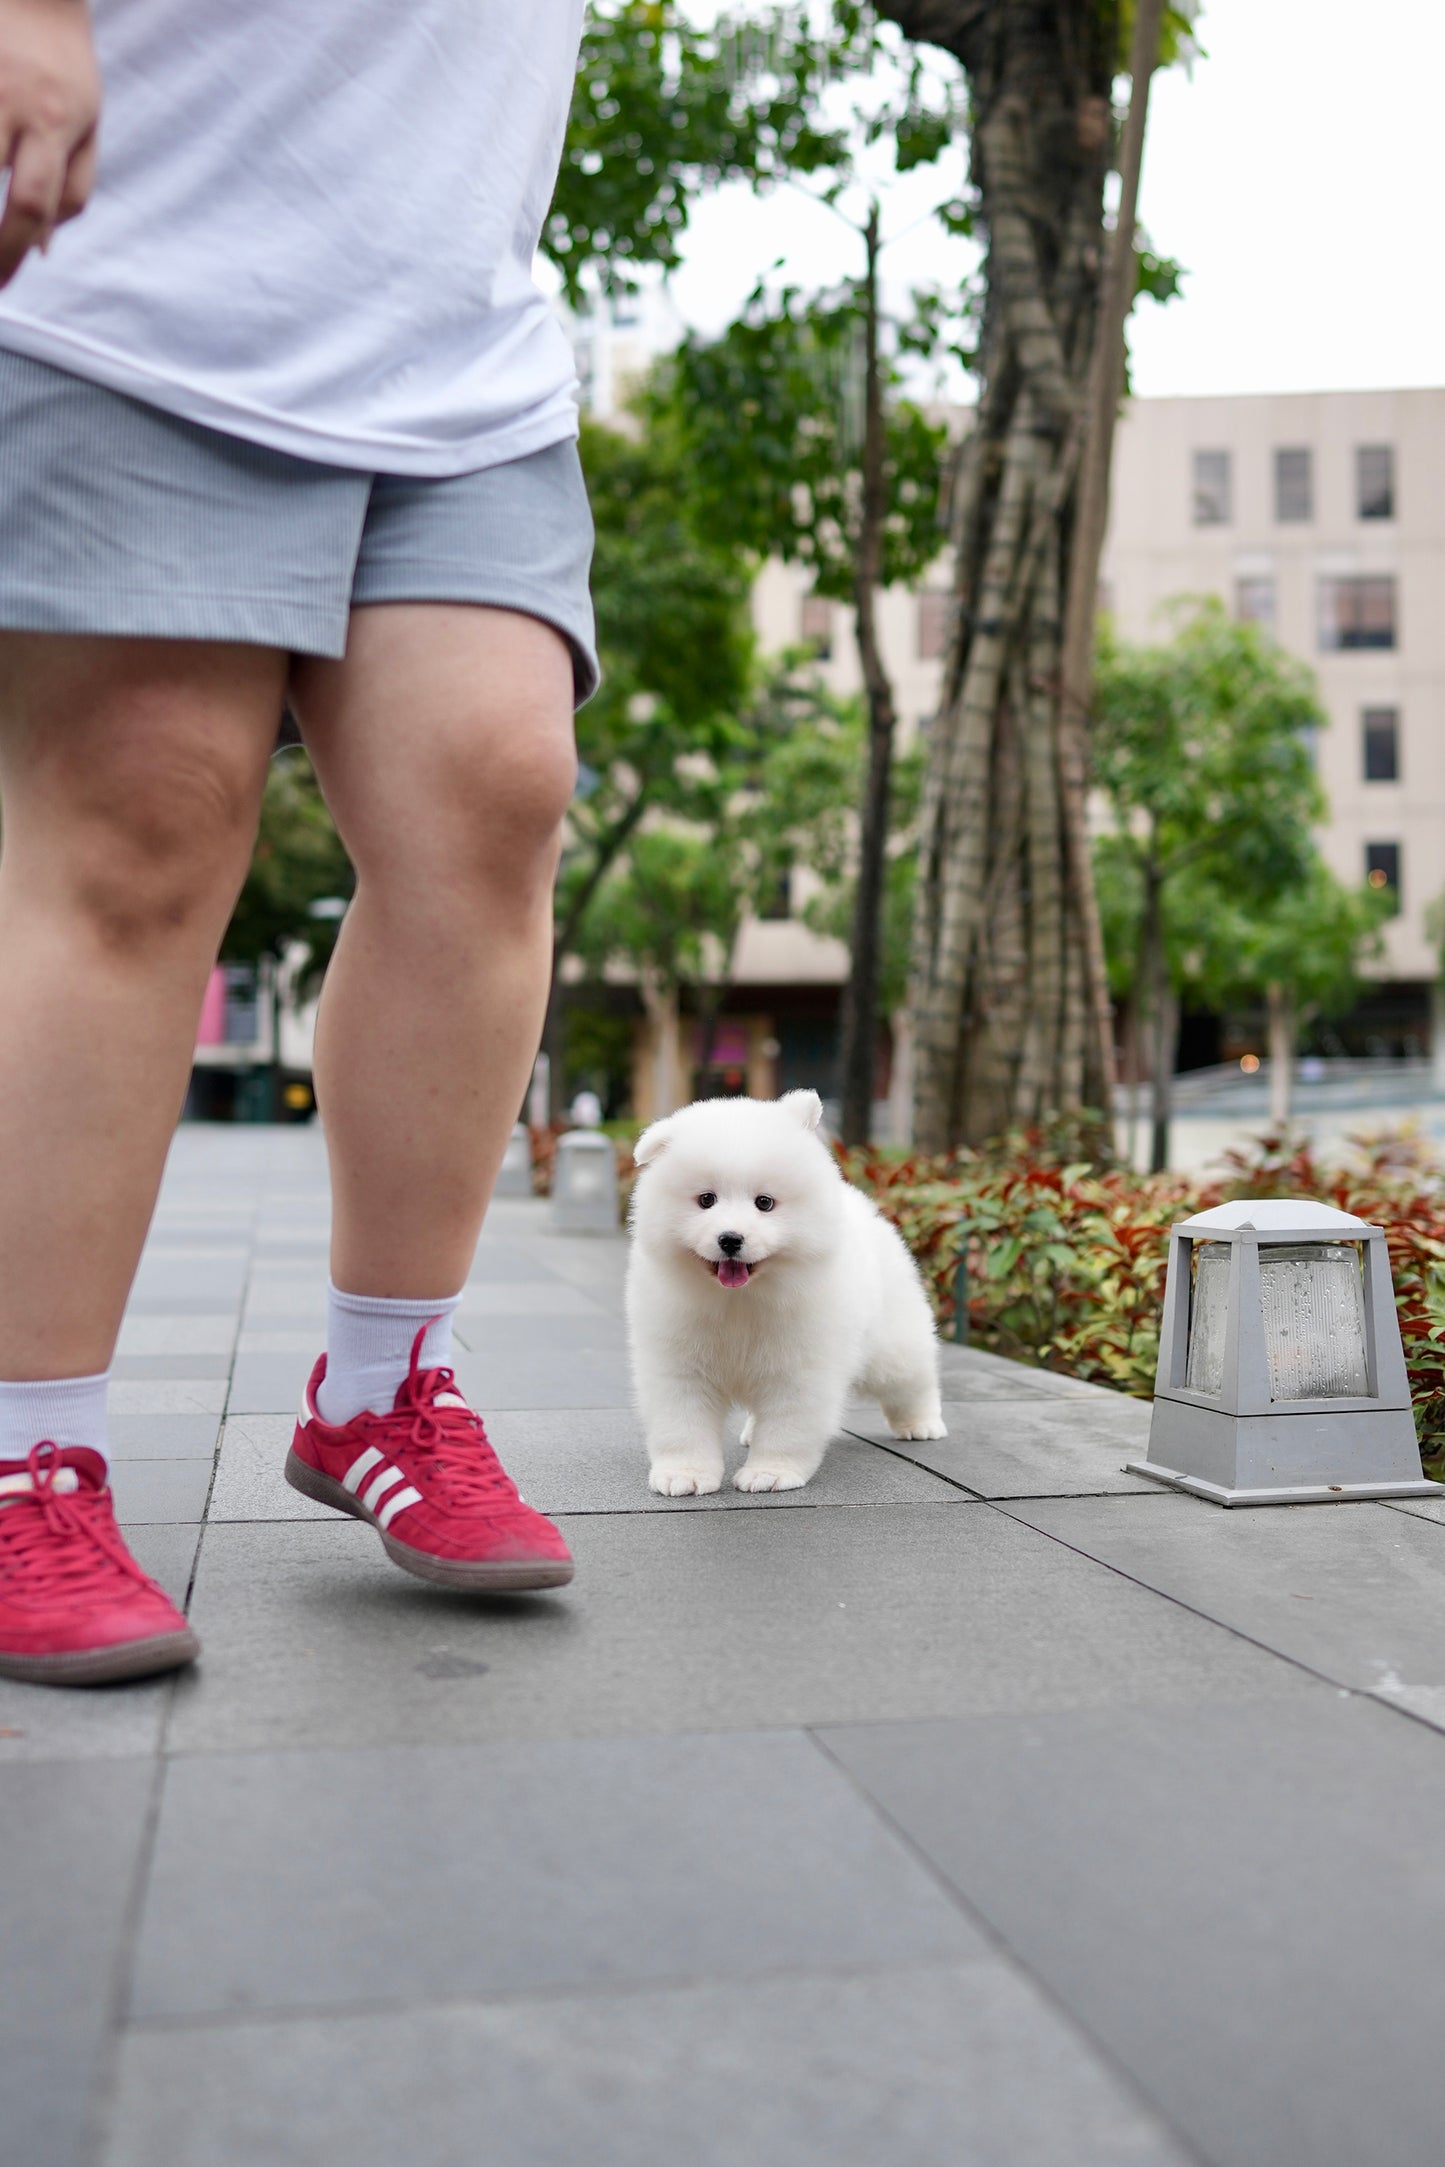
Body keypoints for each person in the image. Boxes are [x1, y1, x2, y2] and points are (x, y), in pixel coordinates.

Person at [0, 0, 594, 1682]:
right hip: (133, 283)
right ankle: (23, 1453)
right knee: (145, 816)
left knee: (494, 788)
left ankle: (380, 1390)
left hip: (454, 327)